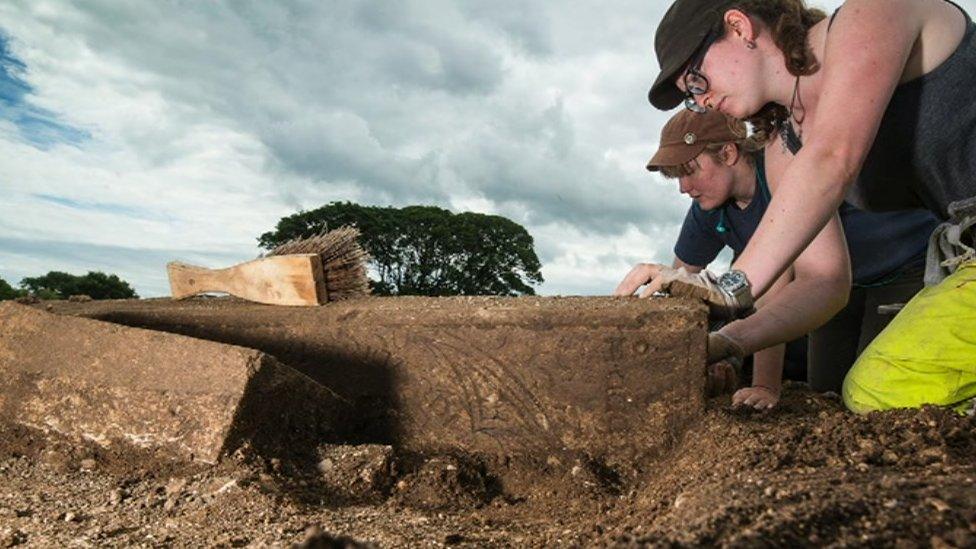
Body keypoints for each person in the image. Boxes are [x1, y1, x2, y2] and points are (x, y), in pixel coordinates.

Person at [644, 0, 976, 412]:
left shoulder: (872, 13)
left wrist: (729, 286)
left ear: (739, 27)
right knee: (870, 391)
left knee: (886, 391)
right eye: (690, 97)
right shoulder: (785, 145)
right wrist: (728, 342)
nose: (702, 101)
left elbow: (833, 157)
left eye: (696, 81)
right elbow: (824, 282)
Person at [615, 108, 938, 408]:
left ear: (728, 153)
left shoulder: (782, 174)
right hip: (830, 292)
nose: (684, 188)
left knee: (875, 392)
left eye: (689, 171)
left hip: (901, 266)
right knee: (826, 389)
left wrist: (766, 386)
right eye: (676, 178)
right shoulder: (707, 210)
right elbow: (681, 283)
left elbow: (775, 292)